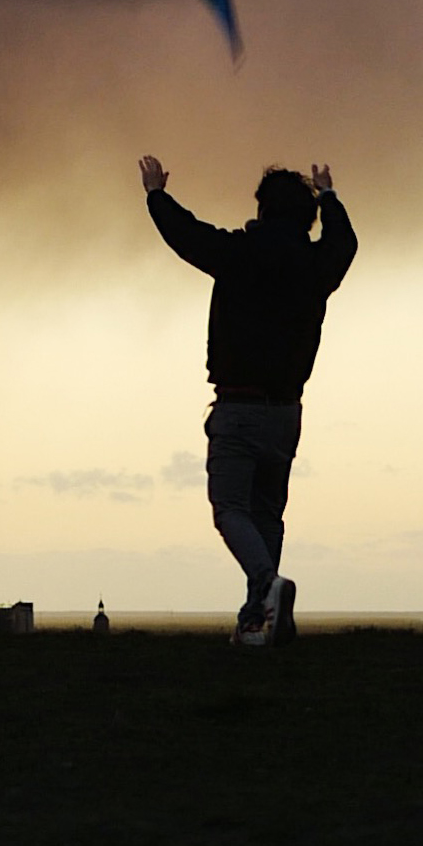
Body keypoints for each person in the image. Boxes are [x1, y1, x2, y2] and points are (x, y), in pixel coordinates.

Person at [139, 155, 355, 646]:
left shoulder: (238, 254)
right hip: (287, 412)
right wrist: (331, 197)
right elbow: (345, 243)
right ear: (308, 218)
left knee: (230, 509)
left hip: (238, 408)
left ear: (261, 209)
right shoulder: (318, 265)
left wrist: (155, 193)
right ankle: (260, 616)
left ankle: (265, 586)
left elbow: (185, 234)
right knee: (266, 515)